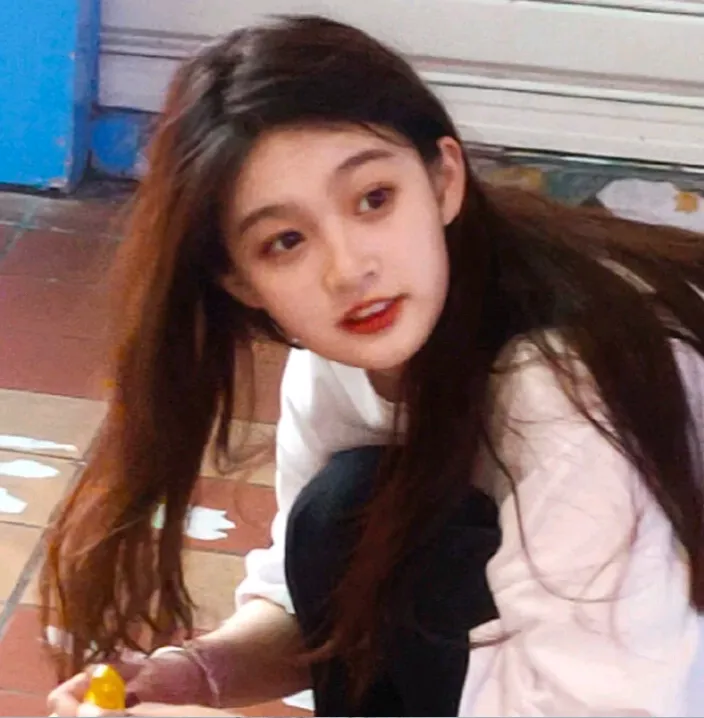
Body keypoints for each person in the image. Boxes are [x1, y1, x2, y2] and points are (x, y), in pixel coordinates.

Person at [43, 14, 704, 718]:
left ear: (444, 179)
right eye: (286, 241)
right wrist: (196, 676)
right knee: (343, 518)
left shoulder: (565, 391)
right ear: (239, 281)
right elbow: (315, 606)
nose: (349, 268)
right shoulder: (344, 357)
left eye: (374, 200)